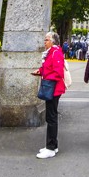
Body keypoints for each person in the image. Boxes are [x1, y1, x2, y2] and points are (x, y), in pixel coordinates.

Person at [32, 31, 66, 159]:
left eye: (46, 39)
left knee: (51, 118)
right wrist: (40, 71)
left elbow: (58, 73)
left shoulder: (55, 53)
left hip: (53, 89)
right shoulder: (51, 53)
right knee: (50, 117)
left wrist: (45, 76)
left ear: (53, 41)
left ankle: (51, 147)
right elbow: (48, 68)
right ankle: (52, 145)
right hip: (51, 87)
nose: (44, 42)